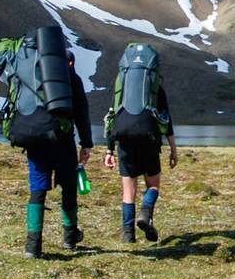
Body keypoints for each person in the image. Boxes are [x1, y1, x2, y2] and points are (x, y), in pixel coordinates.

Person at [102, 45, 178, 243]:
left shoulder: (122, 85)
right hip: (149, 137)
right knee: (153, 185)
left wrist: (109, 149)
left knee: (128, 190)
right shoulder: (155, 89)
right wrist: (173, 150)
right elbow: (166, 120)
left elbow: (112, 116)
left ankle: (128, 235)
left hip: (124, 137)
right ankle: (145, 213)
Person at [23, 52, 92, 259]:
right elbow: (82, 111)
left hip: (35, 141)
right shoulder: (72, 77)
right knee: (69, 187)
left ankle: (32, 246)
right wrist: (86, 143)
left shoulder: (33, 75)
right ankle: (70, 237)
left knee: (37, 190)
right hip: (63, 141)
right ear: (69, 62)